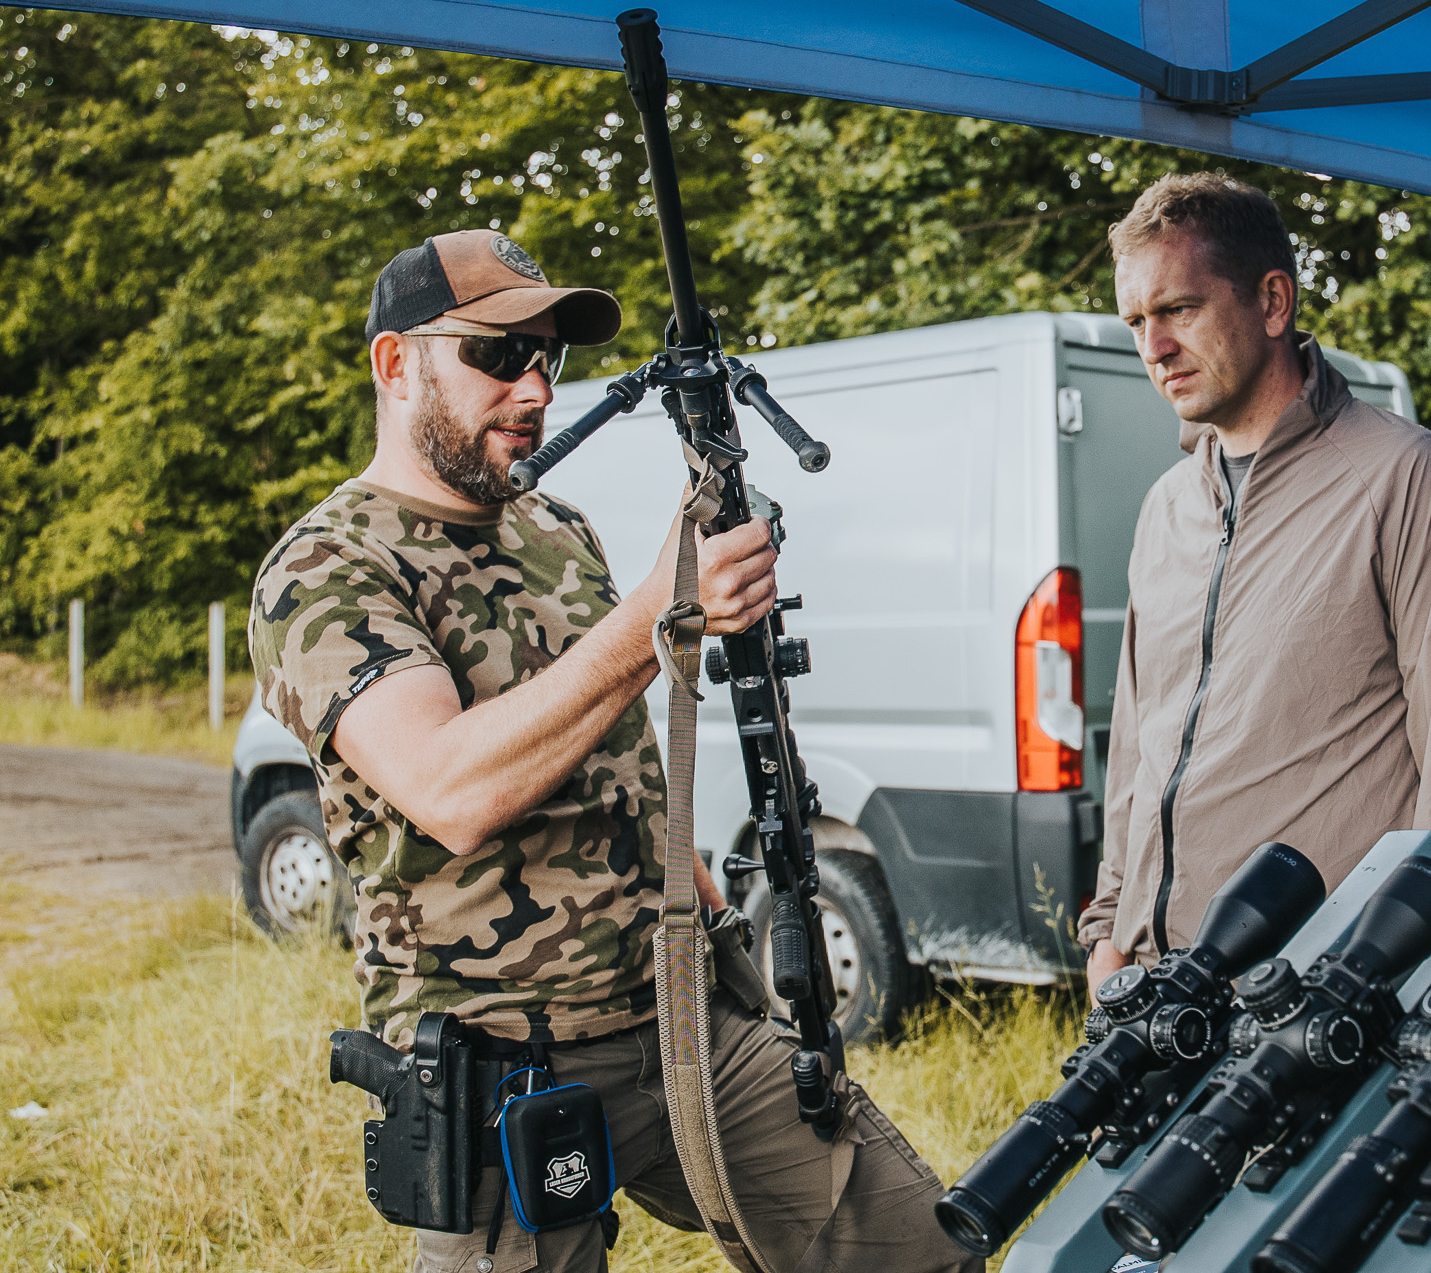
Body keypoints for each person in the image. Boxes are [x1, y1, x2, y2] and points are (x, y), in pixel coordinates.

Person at [249, 229, 976, 1273]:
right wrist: (657, 614)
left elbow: (621, 755)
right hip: (504, 1064)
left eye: (549, 358)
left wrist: (718, 928)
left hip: (683, 1020)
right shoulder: (326, 567)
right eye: (497, 356)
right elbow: (447, 787)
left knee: (915, 1251)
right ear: (395, 362)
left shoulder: (558, 530)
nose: (534, 388)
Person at [1077, 174, 1431, 994]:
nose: (1153, 348)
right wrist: (1109, 933)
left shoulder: (1408, 479)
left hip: (1323, 995)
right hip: (1158, 994)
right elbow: (1138, 754)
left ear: (1273, 300)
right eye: (1137, 322)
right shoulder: (1165, 509)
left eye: (1179, 309)